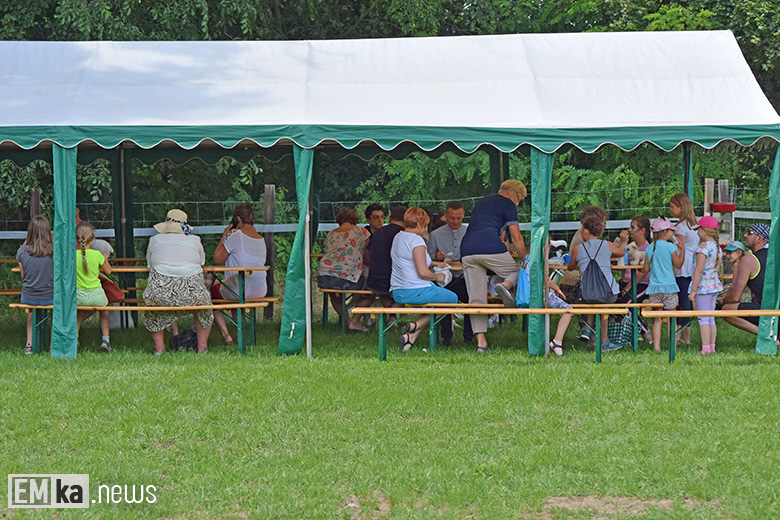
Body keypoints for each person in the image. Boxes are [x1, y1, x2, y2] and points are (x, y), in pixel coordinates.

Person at [460, 179, 527, 353]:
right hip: (489, 247)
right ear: (511, 191)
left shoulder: (483, 202)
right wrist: (526, 258)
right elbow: (516, 237)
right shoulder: (507, 204)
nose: (518, 203)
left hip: (467, 250)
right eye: (519, 198)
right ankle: (505, 286)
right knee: (519, 271)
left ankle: (481, 343)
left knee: (476, 298)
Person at [143, 209, 213, 354]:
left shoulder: (154, 240)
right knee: (204, 306)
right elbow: (202, 263)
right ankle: (202, 347)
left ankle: (159, 349)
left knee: (153, 308)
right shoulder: (195, 240)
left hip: (160, 294)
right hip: (193, 294)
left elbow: (149, 266)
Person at [391, 207, 457, 351]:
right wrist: (438, 276)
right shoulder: (417, 241)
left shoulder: (399, 237)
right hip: (415, 290)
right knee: (452, 298)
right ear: (421, 224)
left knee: (434, 303)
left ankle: (410, 338)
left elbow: (409, 260)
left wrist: (434, 263)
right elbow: (422, 272)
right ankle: (416, 325)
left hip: (397, 291)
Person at [567, 216, 628, 351]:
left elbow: (570, 267)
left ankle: (587, 329)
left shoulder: (578, 248)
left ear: (585, 231)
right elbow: (621, 252)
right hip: (609, 292)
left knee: (596, 300)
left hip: (587, 292)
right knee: (603, 305)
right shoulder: (607, 245)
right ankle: (604, 342)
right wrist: (623, 242)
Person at [211, 204, 267, 344]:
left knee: (209, 295)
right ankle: (238, 333)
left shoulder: (236, 236)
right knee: (236, 292)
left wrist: (225, 235)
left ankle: (226, 336)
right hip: (260, 289)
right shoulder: (261, 239)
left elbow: (217, 258)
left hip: (239, 288)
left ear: (236, 219)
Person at [557, 205, 609, 343]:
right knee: (603, 297)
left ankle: (589, 332)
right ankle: (600, 340)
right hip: (576, 286)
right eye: (603, 224)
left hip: (567, 285)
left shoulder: (579, 234)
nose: (604, 227)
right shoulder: (588, 240)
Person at [426, 200, 473, 345]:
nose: (455, 221)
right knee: (443, 300)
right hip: (444, 278)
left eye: (459, 218)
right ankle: (446, 337)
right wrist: (436, 257)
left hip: (464, 276)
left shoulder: (470, 232)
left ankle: (469, 337)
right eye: (452, 218)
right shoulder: (436, 235)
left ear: (463, 215)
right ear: (446, 216)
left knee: (471, 300)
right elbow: (428, 257)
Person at [316, 207, 371, 332]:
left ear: (339, 221)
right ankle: (355, 321)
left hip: (324, 276)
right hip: (347, 278)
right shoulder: (361, 231)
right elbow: (366, 255)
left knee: (334, 295)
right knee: (370, 290)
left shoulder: (331, 233)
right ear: (355, 220)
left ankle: (347, 321)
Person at [642, 217, 685, 352]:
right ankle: (674, 346)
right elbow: (678, 264)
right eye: (671, 231)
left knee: (657, 319)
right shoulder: (670, 246)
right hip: (669, 287)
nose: (673, 233)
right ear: (665, 232)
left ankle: (657, 347)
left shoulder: (649, 248)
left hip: (654, 288)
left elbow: (645, 269)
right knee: (672, 318)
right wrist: (682, 250)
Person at [721, 223, 770, 335]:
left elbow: (735, 297)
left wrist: (722, 301)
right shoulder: (773, 257)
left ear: (759, 238)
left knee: (725, 309)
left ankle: (766, 335)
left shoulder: (749, 259)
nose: (744, 235)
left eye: (749, 233)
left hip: (769, 313)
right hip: (775, 311)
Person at [16, 216, 53, 354]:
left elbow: (23, 276)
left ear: (30, 231)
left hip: (28, 296)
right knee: (55, 311)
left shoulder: (21, 252)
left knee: (31, 311)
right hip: (50, 297)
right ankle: (52, 345)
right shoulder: (53, 251)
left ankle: (29, 345)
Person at [75, 221, 113, 353]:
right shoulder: (97, 255)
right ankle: (105, 341)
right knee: (104, 310)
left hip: (78, 296)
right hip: (96, 296)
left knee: (79, 311)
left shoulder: (73, 256)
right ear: (93, 238)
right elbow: (109, 271)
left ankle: (75, 338)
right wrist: (105, 258)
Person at [689, 216, 723, 355]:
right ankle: (712, 347)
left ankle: (705, 348)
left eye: (698, 230)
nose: (697, 233)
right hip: (714, 285)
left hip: (703, 287)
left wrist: (693, 290)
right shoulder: (716, 247)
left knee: (703, 318)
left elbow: (699, 270)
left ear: (704, 230)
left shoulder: (703, 247)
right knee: (710, 318)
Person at [365, 205, 407, 318]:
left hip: (374, 281)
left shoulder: (378, 233)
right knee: (414, 289)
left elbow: (368, 254)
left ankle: (391, 317)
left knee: (383, 291)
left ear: (389, 218)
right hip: (395, 282)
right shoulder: (405, 235)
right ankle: (387, 317)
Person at [669, 193, 699, 344]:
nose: (670, 210)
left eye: (672, 207)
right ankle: (686, 336)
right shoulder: (694, 224)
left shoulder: (680, 227)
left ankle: (680, 336)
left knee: (681, 301)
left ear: (681, 208)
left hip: (682, 266)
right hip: (692, 264)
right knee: (686, 299)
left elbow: (679, 249)